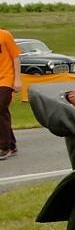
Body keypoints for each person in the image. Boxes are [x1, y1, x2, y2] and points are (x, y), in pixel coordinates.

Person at [0, 27, 22, 160]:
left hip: (6, 79)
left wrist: (17, 80)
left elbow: (16, 57)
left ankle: (4, 146)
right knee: (2, 112)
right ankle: (12, 144)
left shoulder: (4, 35)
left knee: (0, 107)